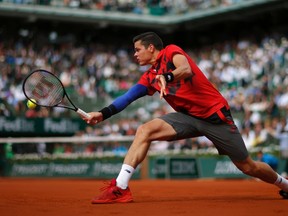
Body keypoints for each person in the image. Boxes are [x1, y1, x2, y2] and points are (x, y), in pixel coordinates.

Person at [82, 32, 288, 203]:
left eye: (137, 50)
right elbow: (127, 98)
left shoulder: (171, 51)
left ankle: (285, 184)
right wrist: (102, 113)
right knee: (145, 130)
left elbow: (186, 69)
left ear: (151, 48)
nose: (135, 55)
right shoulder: (149, 77)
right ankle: (120, 188)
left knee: (247, 167)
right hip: (187, 118)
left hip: (215, 117)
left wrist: (167, 76)